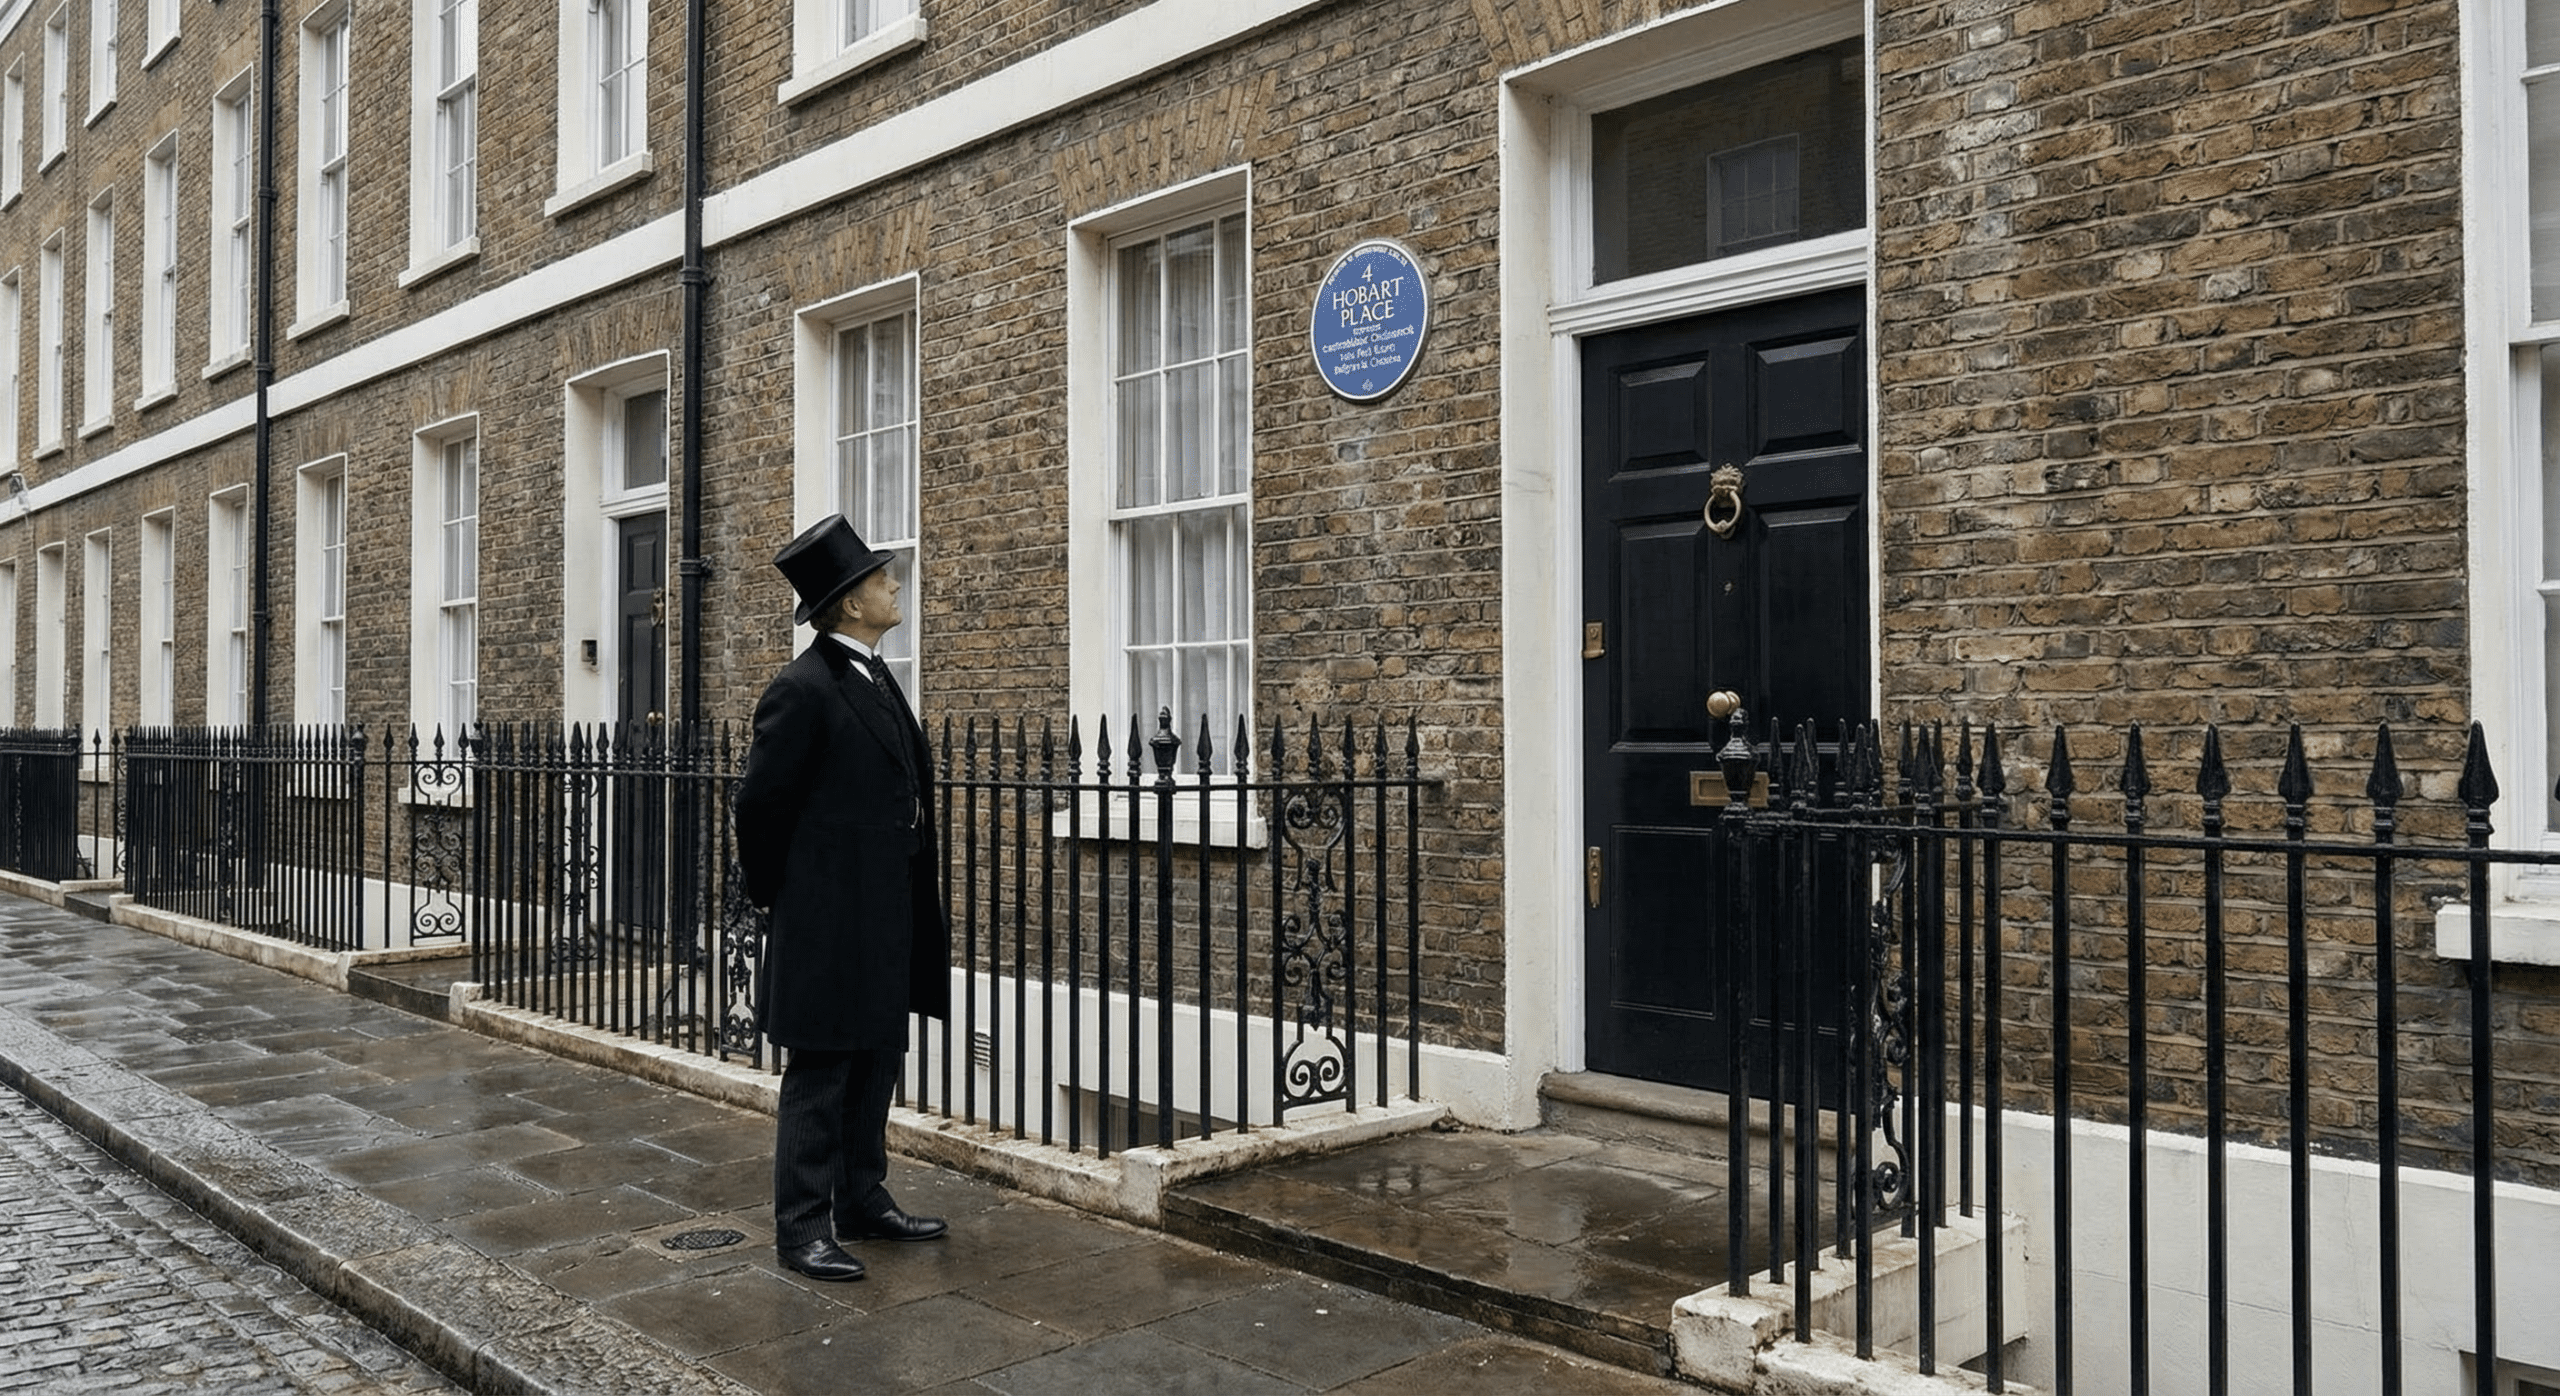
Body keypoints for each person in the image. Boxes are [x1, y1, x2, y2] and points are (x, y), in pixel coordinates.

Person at [735, 514, 952, 1283]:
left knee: (878, 1059)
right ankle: (801, 1228)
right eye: (880, 578)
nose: (895, 585)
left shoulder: (874, 673)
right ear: (850, 604)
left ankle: (862, 1199)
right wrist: (777, 899)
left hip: (885, 913)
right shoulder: (801, 689)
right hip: (826, 919)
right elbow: (758, 810)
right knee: (822, 1073)